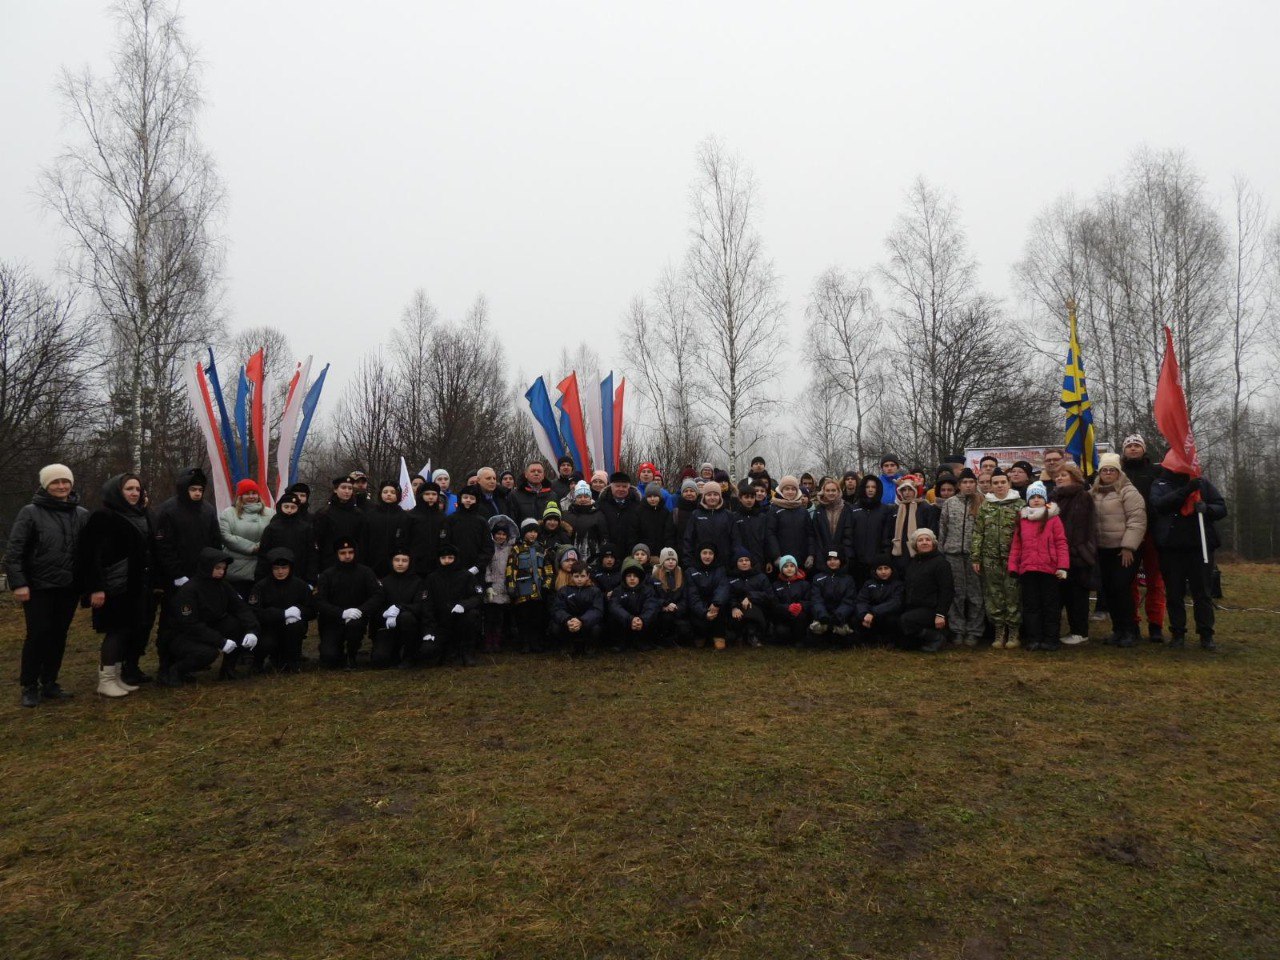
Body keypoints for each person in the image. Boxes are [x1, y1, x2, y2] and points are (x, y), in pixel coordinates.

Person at [5, 464, 89, 707]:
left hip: (68, 587)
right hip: (38, 587)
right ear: (45, 485)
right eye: (55, 482)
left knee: (58, 636)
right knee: (38, 635)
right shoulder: (30, 513)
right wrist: (19, 583)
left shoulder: (81, 514)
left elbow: (89, 552)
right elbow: (14, 552)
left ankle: (50, 682)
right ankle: (29, 685)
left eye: (65, 481)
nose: (61, 486)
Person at [76, 473, 152, 697]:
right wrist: (96, 587)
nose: (134, 493)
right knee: (114, 632)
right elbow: (89, 555)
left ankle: (116, 677)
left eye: (138, 489)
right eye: (129, 489)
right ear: (117, 491)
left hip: (133, 586)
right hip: (112, 586)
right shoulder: (103, 516)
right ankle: (106, 680)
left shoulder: (139, 514)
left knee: (126, 631)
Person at [1149, 464, 1227, 650]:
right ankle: (1177, 633)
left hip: (1199, 547)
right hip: (1171, 547)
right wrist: (1186, 491)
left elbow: (1221, 507)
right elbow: (1160, 505)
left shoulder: (1201, 482)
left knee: (1202, 593)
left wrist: (1207, 509)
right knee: (1174, 593)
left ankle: (1206, 634)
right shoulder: (1160, 483)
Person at [153, 467, 221, 671]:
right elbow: (164, 547)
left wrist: (213, 569)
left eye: (200, 489)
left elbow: (214, 542)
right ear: (184, 489)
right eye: (193, 489)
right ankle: (166, 663)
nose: (197, 493)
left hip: (201, 577)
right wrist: (176, 575)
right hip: (176, 579)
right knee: (171, 620)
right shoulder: (168, 510)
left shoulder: (208, 510)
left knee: (197, 618)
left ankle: (190, 661)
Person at [160, 547, 259, 685]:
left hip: (209, 627)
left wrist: (252, 630)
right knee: (208, 653)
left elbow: (241, 608)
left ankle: (228, 670)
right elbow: (190, 625)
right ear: (207, 566)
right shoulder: (189, 590)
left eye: (223, 568)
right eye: (217, 567)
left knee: (237, 625)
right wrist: (220, 641)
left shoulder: (223, 585)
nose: (221, 571)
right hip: (183, 635)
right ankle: (175, 671)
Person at [1090, 453, 1148, 648]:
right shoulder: (1094, 492)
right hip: (1102, 549)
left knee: (1121, 588)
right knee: (1108, 590)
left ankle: (1130, 630)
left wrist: (1128, 546)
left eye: (1112, 470)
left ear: (1118, 472)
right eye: (1104, 470)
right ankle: (1117, 630)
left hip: (1124, 550)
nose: (1108, 473)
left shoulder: (1129, 492)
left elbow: (1137, 521)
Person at [1008, 482, 1069, 651]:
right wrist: (1013, 566)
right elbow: (1016, 545)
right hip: (1027, 569)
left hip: (1049, 569)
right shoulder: (1022, 519)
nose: (1036, 500)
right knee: (1031, 606)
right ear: (1028, 500)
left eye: (1039, 497)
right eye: (1033, 497)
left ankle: (1051, 639)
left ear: (1045, 499)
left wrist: (1062, 566)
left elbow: (1061, 543)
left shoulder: (1053, 518)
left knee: (1050, 606)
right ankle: (1034, 638)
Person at [1120, 434, 1166, 642]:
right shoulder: (1119, 473)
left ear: (1144, 449)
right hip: (1127, 533)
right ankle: (1133, 623)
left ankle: (1156, 625)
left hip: (1153, 532)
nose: (1133, 448)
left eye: (1137, 445)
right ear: (1124, 451)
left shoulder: (1157, 471)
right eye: (1129, 446)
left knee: (1155, 580)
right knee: (1128, 581)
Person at [971, 469, 1024, 649]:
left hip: (1013, 558)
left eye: (1002, 482)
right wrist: (976, 557)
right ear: (991, 486)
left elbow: (1026, 534)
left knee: (1013, 594)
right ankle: (999, 631)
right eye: (996, 483)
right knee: (994, 595)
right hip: (990, 558)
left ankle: (1014, 632)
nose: (999, 486)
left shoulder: (1020, 505)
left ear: (1009, 483)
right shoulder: (986, 506)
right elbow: (978, 532)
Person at [314, 538, 381, 668]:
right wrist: (341, 613)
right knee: (330, 658)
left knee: (354, 627)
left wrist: (361, 610)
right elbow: (319, 601)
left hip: (357, 619)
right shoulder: (327, 575)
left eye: (350, 552)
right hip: (332, 621)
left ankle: (352, 654)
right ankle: (334, 650)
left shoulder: (365, 572)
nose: (347, 556)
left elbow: (377, 595)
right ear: (337, 554)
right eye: (343, 553)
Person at [246, 547, 316, 673]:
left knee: (295, 627)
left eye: (284, 568)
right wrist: (281, 614)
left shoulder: (300, 585)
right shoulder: (261, 586)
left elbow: (312, 610)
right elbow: (254, 612)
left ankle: (293, 661)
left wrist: (299, 611)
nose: (280, 572)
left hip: (291, 628)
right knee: (266, 643)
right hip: (268, 628)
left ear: (290, 568)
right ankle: (258, 662)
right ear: (270, 569)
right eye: (276, 568)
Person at [1051, 465, 1097, 646]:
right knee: (1061, 593)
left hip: (1076, 553)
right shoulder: (1055, 497)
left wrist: (1076, 550)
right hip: (1059, 553)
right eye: (1057, 475)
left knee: (1077, 595)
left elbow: (1079, 526)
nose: (1059, 478)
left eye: (1064, 475)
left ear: (1075, 478)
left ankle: (1080, 631)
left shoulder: (1082, 496)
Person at [938, 468, 985, 647]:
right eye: (964, 482)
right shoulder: (950, 503)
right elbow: (943, 527)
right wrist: (942, 551)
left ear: (975, 484)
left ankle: (974, 631)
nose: (968, 485)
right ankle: (957, 630)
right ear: (959, 485)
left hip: (974, 556)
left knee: (975, 594)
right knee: (957, 593)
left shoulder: (982, 502)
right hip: (952, 554)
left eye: (971, 482)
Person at [369, 549, 432, 668]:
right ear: (391, 562)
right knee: (380, 661)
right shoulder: (383, 582)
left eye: (404, 560)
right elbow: (375, 606)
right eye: (397, 560)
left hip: (410, 627)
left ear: (410, 563)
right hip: (387, 626)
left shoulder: (418, 582)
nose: (400, 563)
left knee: (406, 617)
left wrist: (401, 607)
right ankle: (392, 652)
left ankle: (409, 655)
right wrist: (386, 614)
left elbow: (421, 606)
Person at [424, 543, 484, 665]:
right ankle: (447, 650)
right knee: (428, 653)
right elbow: (427, 605)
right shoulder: (432, 578)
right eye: (443, 558)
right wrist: (428, 631)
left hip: (461, 621)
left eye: (450, 558)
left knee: (472, 614)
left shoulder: (466, 576)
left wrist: (463, 605)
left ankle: (467, 652)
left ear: (456, 558)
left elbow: (478, 596)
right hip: (441, 624)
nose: (447, 561)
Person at [898, 529, 953, 652]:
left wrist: (941, 614)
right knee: (903, 642)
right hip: (913, 606)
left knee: (906, 620)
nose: (924, 542)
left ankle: (937, 637)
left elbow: (947, 590)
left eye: (927, 540)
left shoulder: (941, 563)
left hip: (932, 609)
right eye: (920, 540)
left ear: (933, 543)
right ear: (915, 545)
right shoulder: (913, 562)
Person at [505, 518, 554, 652]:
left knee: (537, 618)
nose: (533, 534)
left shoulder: (542, 548)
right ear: (524, 533)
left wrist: (547, 585)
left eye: (535, 532)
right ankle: (524, 643)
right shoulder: (517, 548)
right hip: (522, 591)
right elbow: (511, 568)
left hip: (538, 592)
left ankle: (536, 642)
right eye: (529, 532)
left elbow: (548, 568)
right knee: (523, 618)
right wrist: (511, 585)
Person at [256, 491, 318, 585]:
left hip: (300, 575)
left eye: (293, 507)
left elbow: (311, 554)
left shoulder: (305, 528)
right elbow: (263, 554)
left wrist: (311, 578)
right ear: (281, 507)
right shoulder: (272, 528)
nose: (289, 510)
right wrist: (261, 577)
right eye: (286, 507)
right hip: (275, 575)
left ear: (298, 508)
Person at [885, 474, 939, 573]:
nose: (906, 493)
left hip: (921, 556)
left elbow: (932, 532)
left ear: (916, 490)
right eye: (903, 490)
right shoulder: (895, 509)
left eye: (910, 489)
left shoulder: (925, 508)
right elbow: (889, 533)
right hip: (899, 555)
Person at [549, 561, 604, 656]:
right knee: (554, 626)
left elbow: (597, 610)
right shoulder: (563, 590)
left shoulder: (595, 591)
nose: (579, 579)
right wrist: (568, 620)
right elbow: (557, 609)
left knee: (597, 627)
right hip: (569, 624)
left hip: (586, 624)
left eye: (582, 576)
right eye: (576, 576)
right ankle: (567, 645)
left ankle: (590, 646)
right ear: (572, 576)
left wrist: (581, 621)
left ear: (588, 576)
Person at [364, 479, 415, 577]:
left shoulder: (405, 516)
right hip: (373, 562)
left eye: (393, 492)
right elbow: (365, 539)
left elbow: (408, 540)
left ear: (398, 495)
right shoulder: (370, 515)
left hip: (397, 564)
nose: (389, 494)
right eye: (385, 492)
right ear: (380, 494)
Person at [314, 477, 368, 571]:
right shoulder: (324, 513)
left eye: (350, 488)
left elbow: (361, 542)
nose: (347, 491)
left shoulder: (359, 514)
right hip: (329, 564)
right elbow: (318, 542)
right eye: (343, 488)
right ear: (335, 489)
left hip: (352, 564)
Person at [608, 558, 661, 651]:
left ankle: (643, 642)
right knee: (613, 616)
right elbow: (615, 607)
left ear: (640, 578)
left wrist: (642, 620)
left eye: (635, 576)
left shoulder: (648, 590)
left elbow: (651, 607)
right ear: (624, 577)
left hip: (641, 625)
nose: (632, 578)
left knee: (655, 615)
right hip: (625, 625)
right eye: (629, 576)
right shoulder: (617, 591)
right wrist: (630, 619)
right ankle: (620, 643)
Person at [442, 485, 494, 577]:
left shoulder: (481, 521)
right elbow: (445, 543)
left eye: (472, 498)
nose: (468, 500)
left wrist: (477, 567)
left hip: (476, 571)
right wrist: (451, 562)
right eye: (465, 497)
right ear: (460, 499)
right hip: (453, 569)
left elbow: (488, 547)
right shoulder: (451, 519)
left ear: (476, 501)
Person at [482, 515, 517, 653]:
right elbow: (487, 566)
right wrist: (488, 584)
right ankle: (487, 642)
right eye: (498, 534)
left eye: (503, 534)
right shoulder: (490, 548)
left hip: (505, 587)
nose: (501, 537)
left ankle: (497, 642)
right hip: (492, 587)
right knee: (489, 617)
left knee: (500, 618)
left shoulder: (511, 548)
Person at [848, 475, 892, 585]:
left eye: (874, 487)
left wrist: (884, 556)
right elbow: (848, 534)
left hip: (877, 562)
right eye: (867, 487)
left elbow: (887, 536)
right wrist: (850, 555)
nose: (871, 489)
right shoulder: (853, 509)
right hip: (856, 562)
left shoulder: (885, 510)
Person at [686, 543, 730, 649]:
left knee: (722, 606)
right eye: (704, 553)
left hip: (715, 606)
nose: (707, 556)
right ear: (699, 554)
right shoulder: (690, 571)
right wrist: (704, 612)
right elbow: (693, 595)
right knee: (694, 612)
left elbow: (723, 587)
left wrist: (716, 603)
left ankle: (718, 635)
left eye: (710, 553)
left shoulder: (720, 569)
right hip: (700, 607)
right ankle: (700, 635)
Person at [767, 475, 815, 572]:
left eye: (793, 489)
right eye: (787, 489)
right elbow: (770, 534)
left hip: (801, 559)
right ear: (781, 491)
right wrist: (776, 556)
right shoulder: (774, 510)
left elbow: (810, 534)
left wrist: (811, 554)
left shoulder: (803, 511)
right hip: (782, 561)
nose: (790, 491)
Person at [726, 549, 771, 647]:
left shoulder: (761, 577)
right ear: (736, 563)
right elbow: (729, 595)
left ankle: (753, 635)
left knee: (751, 610)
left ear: (751, 562)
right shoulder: (731, 578)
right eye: (741, 560)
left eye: (746, 560)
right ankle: (739, 635)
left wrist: (751, 596)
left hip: (757, 608)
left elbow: (769, 595)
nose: (744, 562)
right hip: (737, 609)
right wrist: (734, 607)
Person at [683, 483, 735, 568]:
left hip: (723, 564)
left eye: (715, 494)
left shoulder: (728, 515)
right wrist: (689, 562)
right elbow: (688, 539)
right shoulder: (696, 514)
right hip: (700, 564)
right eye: (709, 495)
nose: (712, 497)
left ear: (720, 497)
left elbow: (735, 539)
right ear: (704, 497)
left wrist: (733, 560)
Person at [809, 551, 857, 642]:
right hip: (823, 615)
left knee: (844, 636)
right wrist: (822, 614)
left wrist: (839, 615)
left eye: (835, 559)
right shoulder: (817, 578)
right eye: (829, 559)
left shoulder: (848, 579)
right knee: (816, 632)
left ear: (841, 561)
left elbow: (849, 600)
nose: (832, 562)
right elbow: (816, 599)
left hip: (840, 616)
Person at [855, 556, 903, 646]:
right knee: (857, 618)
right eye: (880, 569)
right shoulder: (869, 583)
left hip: (886, 614)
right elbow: (861, 600)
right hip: (869, 616)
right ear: (875, 571)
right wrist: (864, 613)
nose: (883, 572)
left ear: (891, 570)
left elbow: (896, 602)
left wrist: (873, 612)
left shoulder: (898, 585)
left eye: (886, 568)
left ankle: (889, 641)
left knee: (892, 620)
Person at [596, 472, 642, 555]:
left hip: (631, 552)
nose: (621, 489)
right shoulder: (601, 504)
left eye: (624, 486)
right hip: (608, 554)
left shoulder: (637, 505)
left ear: (629, 487)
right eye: (617, 486)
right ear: (611, 486)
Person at [651, 548, 690, 646]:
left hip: (678, 610)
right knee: (666, 620)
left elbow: (685, 597)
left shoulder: (682, 574)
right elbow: (652, 597)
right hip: (662, 611)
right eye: (668, 559)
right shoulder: (654, 576)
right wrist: (664, 605)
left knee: (685, 629)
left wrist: (678, 607)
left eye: (673, 559)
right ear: (662, 561)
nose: (671, 562)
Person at [769, 555, 810, 646]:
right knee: (781, 632)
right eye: (786, 566)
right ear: (781, 569)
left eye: (792, 566)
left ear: (796, 568)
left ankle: (799, 639)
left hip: (799, 616)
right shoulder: (776, 585)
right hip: (783, 616)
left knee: (801, 618)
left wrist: (800, 606)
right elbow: (773, 603)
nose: (789, 569)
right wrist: (788, 608)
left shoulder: (804, 584)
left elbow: (809, 601)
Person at [731, 481, 771, 571]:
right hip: (742, 560)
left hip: (759, 559)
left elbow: (766, 539)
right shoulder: (734, 517)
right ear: (740, 498)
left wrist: (768, 560)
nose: (749, 500)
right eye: (746, 497)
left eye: (752, 497)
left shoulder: (762, 517)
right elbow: (734, 539)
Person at [565, 480, 605, 562]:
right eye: (579, 497)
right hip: (572, 558)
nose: (583, 499)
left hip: (593, 558)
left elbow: (604, 537)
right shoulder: (567, 515)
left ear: (590, 498)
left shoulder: (598, 514)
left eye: (586, 496)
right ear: (575, 498)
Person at [411, 481, 446, 574]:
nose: (431, 497)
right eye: (427, 494)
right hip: (415, 565)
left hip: (437, 565)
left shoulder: (442, 517)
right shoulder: (411, 516)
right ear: (421, 495)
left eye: (434, 494)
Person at [636, 482, 676, 555]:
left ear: (660, 497)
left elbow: (669, 534)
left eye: (655, 496)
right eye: (649, 496)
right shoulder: (639, 511)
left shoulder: (665, 512)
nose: (652, 499)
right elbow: (635, 533)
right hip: (642, 552)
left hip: (661, 552)